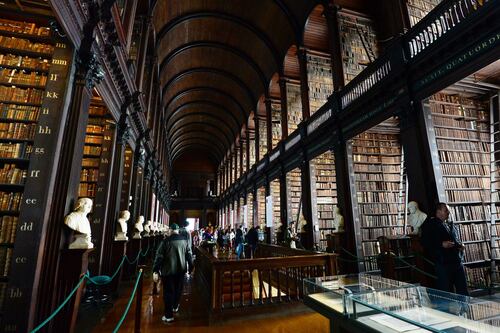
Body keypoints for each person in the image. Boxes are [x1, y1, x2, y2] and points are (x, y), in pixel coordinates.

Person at [421, 202, 468, 295]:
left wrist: (460, 245)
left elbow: (456, 239)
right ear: (438, 212)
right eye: (446, 210)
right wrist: (441, 244)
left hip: (457, 261)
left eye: (448, 210)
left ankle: (465, 309)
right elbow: (425, 242)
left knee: (463, 290)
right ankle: (446, 310)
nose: (448, 212)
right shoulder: (430, 225)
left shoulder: (451, 224)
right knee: (446, 291)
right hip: (443, 263)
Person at [153, 223, 193, 323]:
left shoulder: (165, 241)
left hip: (168, 271)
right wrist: (191, 266)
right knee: (178, 289)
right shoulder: (185, 240)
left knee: (168, 292)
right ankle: (175, 306)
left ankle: (168, 315)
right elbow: (189, 254)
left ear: (170, 230)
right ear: (178, 230)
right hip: (181, 270)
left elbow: (159, 257)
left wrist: (155, 270)